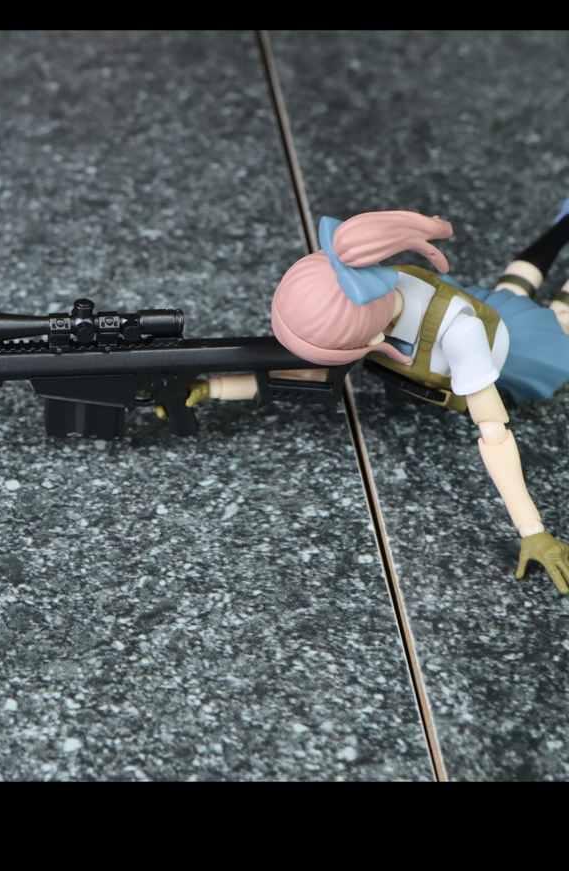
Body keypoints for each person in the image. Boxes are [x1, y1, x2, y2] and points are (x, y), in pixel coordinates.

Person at [187, 206, 569, 594]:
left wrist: (532, 529)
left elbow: (495, 434)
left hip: (520, 350)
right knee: (512, 289)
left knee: (559, 317)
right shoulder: (366, 288)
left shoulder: (458, 332)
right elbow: (306, 374)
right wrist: (211, 388)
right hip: (486, 309)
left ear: (370, 339)